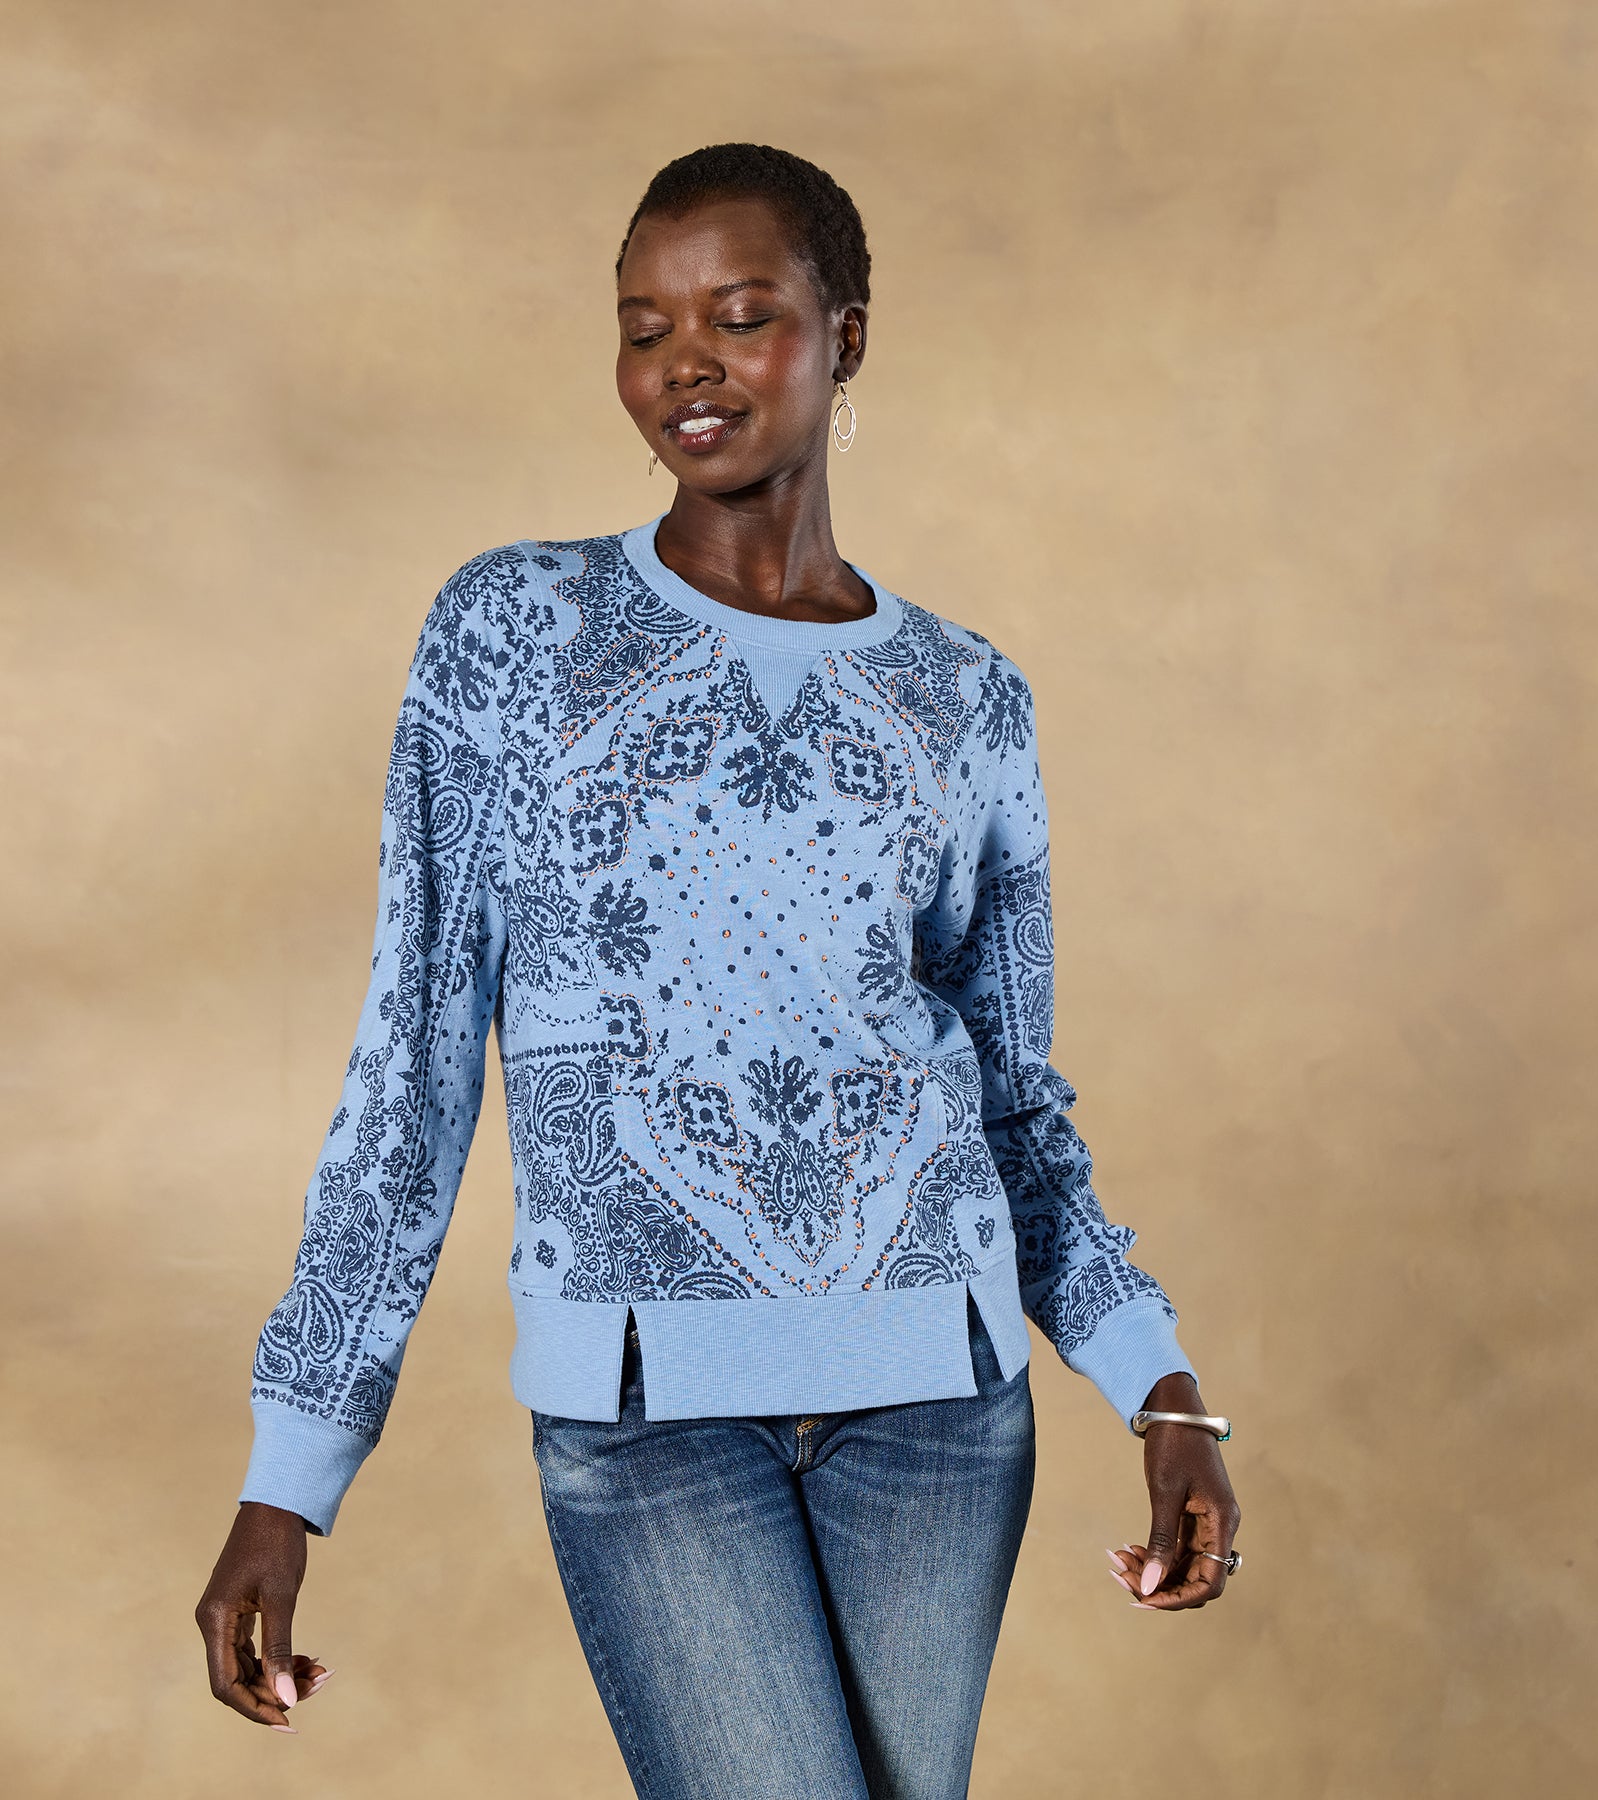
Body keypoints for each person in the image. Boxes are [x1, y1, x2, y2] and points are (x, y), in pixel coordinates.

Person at [196, 142, 1241, 1799]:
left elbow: (1013, 1101)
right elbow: (412, 1058)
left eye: (740, 317)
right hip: (646, 1414)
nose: (684, 362)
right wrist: (294, 1469)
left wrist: (1161, 1386)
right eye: (644, 329)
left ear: (845, 336)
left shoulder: (970, 697)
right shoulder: (512, 632)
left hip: (942, 1403)